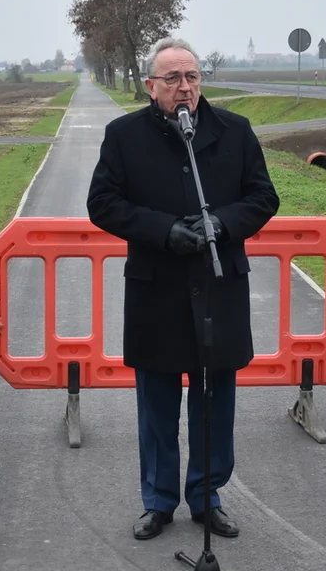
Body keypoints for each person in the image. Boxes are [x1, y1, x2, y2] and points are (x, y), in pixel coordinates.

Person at [87, 38, 280, 540]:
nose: (184, 87)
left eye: (191, 76)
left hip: (219, 287)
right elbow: (103, 204)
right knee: (157, 405)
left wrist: (222, 223)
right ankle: (158, 500)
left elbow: (263, 197)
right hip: (157, 290)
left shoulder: (233, 132)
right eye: (171, 79)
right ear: (151, 87)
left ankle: (207, 496)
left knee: (214, 402)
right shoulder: (124, 135)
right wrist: (162, 230)